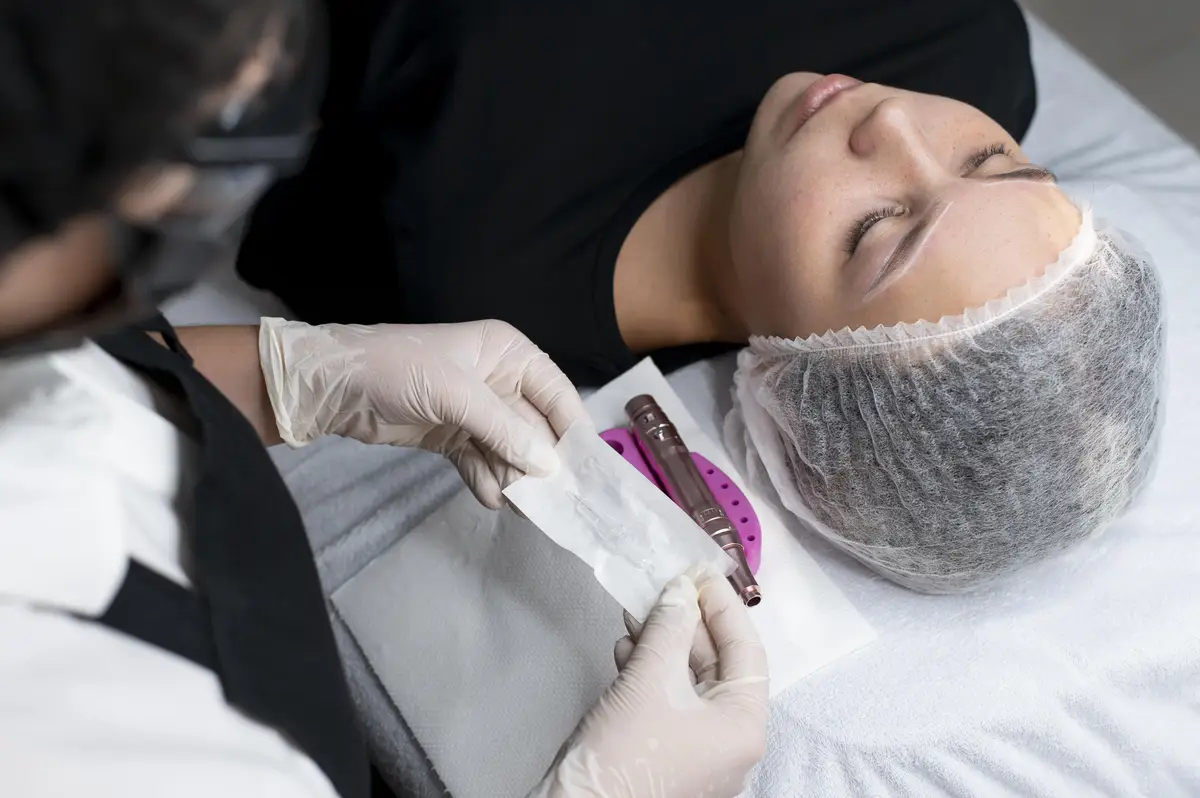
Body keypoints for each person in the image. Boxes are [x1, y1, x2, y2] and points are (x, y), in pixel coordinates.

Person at [0, 2, 769, 797]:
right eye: (213, 139)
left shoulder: (39, 294)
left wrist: (287, 377)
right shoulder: (69, 726)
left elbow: (72, 379)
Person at [234, 0, 1165, 593]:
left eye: (877, 228)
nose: (895, 119)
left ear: (799, 378)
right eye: (993, 161)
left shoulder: (470, 265)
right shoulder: (967, 42)